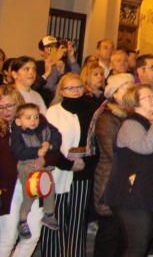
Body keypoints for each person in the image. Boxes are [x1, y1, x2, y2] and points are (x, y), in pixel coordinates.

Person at [104, 83, 153, 257]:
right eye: (147, 97)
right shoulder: (131, 125)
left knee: (140, 246)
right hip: (132, 196)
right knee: (137, 247)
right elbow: (146, 146)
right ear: (134, 102)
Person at [40, 73, 99, 257]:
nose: (75, 91)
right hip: (58, 171)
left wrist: (85, 164)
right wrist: (67, 164)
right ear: (62, 90)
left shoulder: (92, 109)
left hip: (84, 172)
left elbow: (96, 141)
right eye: (69, 88)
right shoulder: (53, 111)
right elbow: (49, 145)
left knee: (77, 220)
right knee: (54, 218)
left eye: (78, 87)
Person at [92, 72, 134, 256]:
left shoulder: (130, 115)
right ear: (115, 93)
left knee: (122, 237)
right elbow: (112, 152)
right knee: (109, 234)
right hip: (111, 181)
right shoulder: (107, 118)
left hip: (126, 181)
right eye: (127, 87)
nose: (132, 91)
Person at [0, 84, 44, 257]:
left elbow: (53, 147)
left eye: (10, 105)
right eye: (1, 107)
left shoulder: (35, 120)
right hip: (7, 188)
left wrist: (44, 159)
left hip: (33, 184)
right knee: (7, 238)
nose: (6, 111)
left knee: (32, 236)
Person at [10, 104, 64, 236]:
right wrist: (37, 151)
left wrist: (50, 145)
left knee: (49, 187)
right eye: (28, 118)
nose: (33, 121)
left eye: (36, 117)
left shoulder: (43, 127)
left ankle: (49, 214)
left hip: (41, 166)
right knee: (29, 194)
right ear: (18, 121)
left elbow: (56, 135)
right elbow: (18, 152)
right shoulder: (18, 134)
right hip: (26, 165)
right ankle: (22, 221)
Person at [36, 37, 79, 103]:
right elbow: (48, 88)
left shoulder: (65, 64)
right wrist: (55, 61)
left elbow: (77, 80)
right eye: (49, 47)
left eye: (56, 46)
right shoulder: (37, 65)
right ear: (41, 51)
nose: (54, 50)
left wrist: (71, 56)